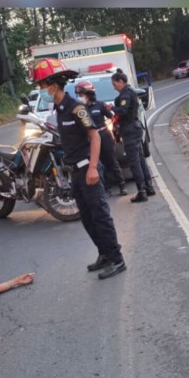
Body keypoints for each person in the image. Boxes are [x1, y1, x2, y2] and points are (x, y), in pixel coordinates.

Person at [33, 58, 126, 279]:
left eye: (42, 86)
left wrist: (93, 167)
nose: (41, 90)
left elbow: (94, 137)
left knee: (100, 215)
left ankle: (116, 258)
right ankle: (103, 253)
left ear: (53, 86)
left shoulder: (76, 108)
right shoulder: (59, 109)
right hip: (75, 170)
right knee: (86, 216)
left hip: (88, 169)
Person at [74, 79, 127, 196]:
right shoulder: (79, 109)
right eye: (78, 95)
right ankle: (106, 188)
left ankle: (122, 185)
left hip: (104, 136)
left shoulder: (100, 105)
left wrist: (116, 131)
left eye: (82, 95)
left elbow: (113, 117)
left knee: (112, 161)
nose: (80, 97)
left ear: (89, 94)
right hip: (91, 140)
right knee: (99, 165)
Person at [110, 69, 154, 203]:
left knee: (134, 162)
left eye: (115, 84)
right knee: (140, 159)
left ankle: (141, 191)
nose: (114, 87)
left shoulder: (126, 94)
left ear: (121, 81)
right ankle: (148, 187)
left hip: (129, 129)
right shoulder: (130, 92)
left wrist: (110, 108)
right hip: (135, 128)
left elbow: (122, 111)